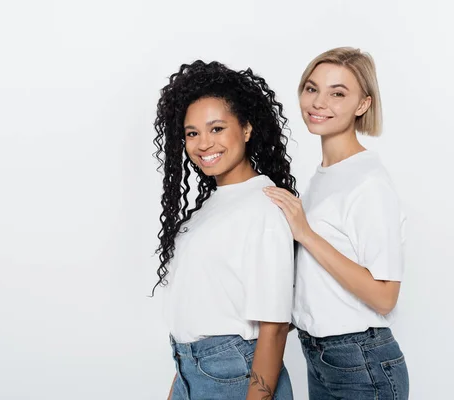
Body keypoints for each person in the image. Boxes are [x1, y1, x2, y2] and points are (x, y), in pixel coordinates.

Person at [264, 47, 409, 399]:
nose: (318, 102)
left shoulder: (368, 181)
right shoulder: (321, 178)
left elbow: (385, 296)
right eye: (312, 88)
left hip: (361, 362)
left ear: (363, 105)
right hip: (320, 355)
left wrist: (306, 234)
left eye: (338, 93)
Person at [152, 60, 297, 400]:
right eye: (192, 133)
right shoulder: (211, 208)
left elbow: (274, 328)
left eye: (216, 129)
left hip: (236, 377)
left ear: (246, 129)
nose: (204, 144)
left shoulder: (264, 205)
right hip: (192, 371)